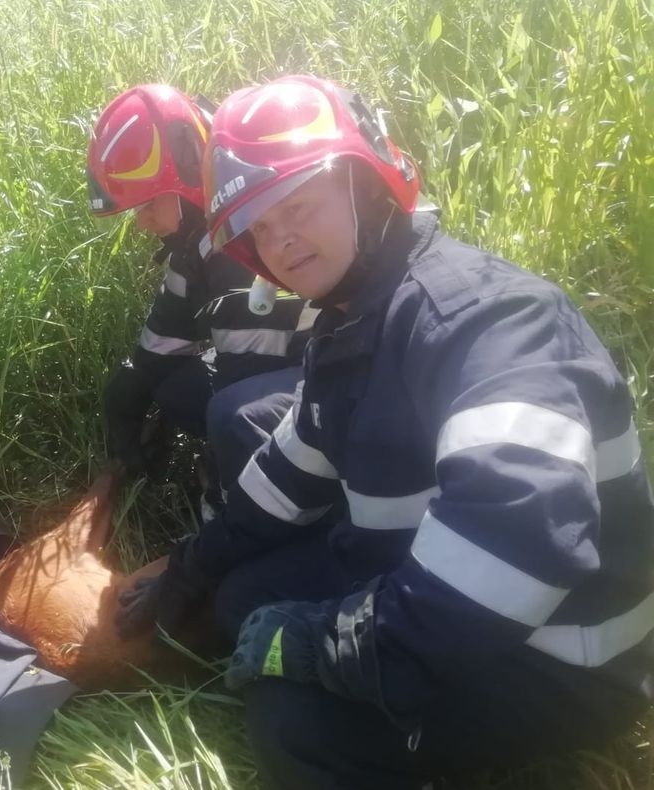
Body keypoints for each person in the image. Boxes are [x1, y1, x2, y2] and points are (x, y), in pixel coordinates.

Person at [117, 75, 654, 788]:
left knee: (294, 724)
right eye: (261, 229)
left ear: (363, 182)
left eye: (297, 205)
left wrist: (340, 646)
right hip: (455, 589)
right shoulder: (351, 326)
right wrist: (189, 566)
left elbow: (521, 548)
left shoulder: (486, 321)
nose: (282, 242)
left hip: (564, 652)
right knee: (243, 596)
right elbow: (280, 485)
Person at [86, 85, 314, 499]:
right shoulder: (198, 243)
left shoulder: (235, 249)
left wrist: (221, 486)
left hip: (324, 386)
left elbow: (249, 387)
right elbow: (161, 340)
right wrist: (127, 393)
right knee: (175, 386)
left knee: (227, 411)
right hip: (283, 368)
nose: (141, 222)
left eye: (148, 205)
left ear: (189, 180)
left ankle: (260, 501)